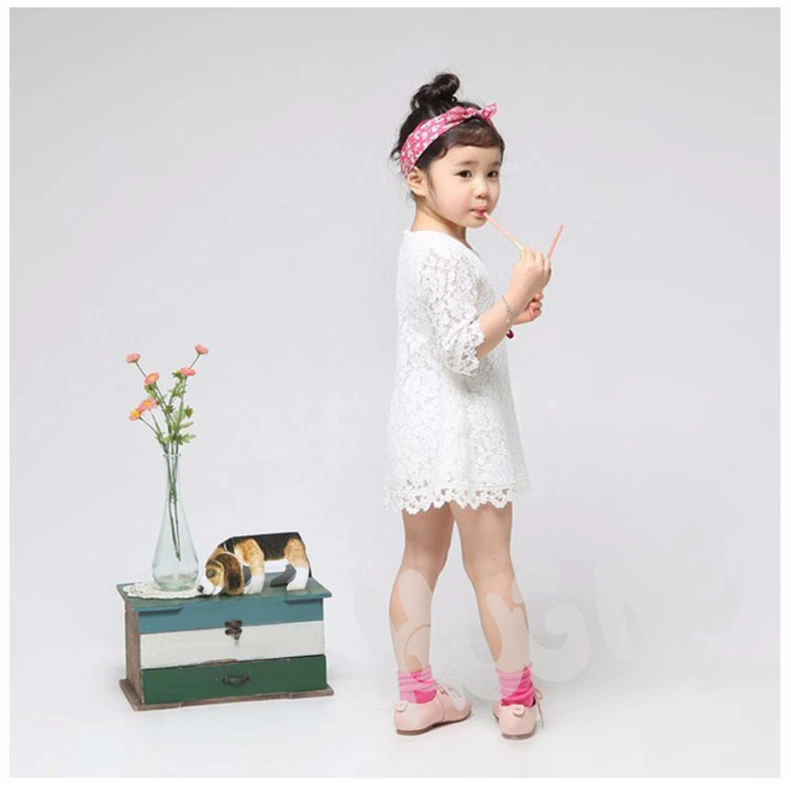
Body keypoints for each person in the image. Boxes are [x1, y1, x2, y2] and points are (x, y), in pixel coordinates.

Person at [383, 72, 553, 739]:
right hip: (466, 430)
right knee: (491, 567)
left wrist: (507, 317)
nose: (483, 189)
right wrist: (513, 294)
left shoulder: (424, 246)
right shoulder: (445, 256)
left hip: (421, 428)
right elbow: (460, 351)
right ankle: (517, 702)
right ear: (417, 178)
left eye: (493, 172)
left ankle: (416, 697)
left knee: (418, 560)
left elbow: (451, 334)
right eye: (464, 173)